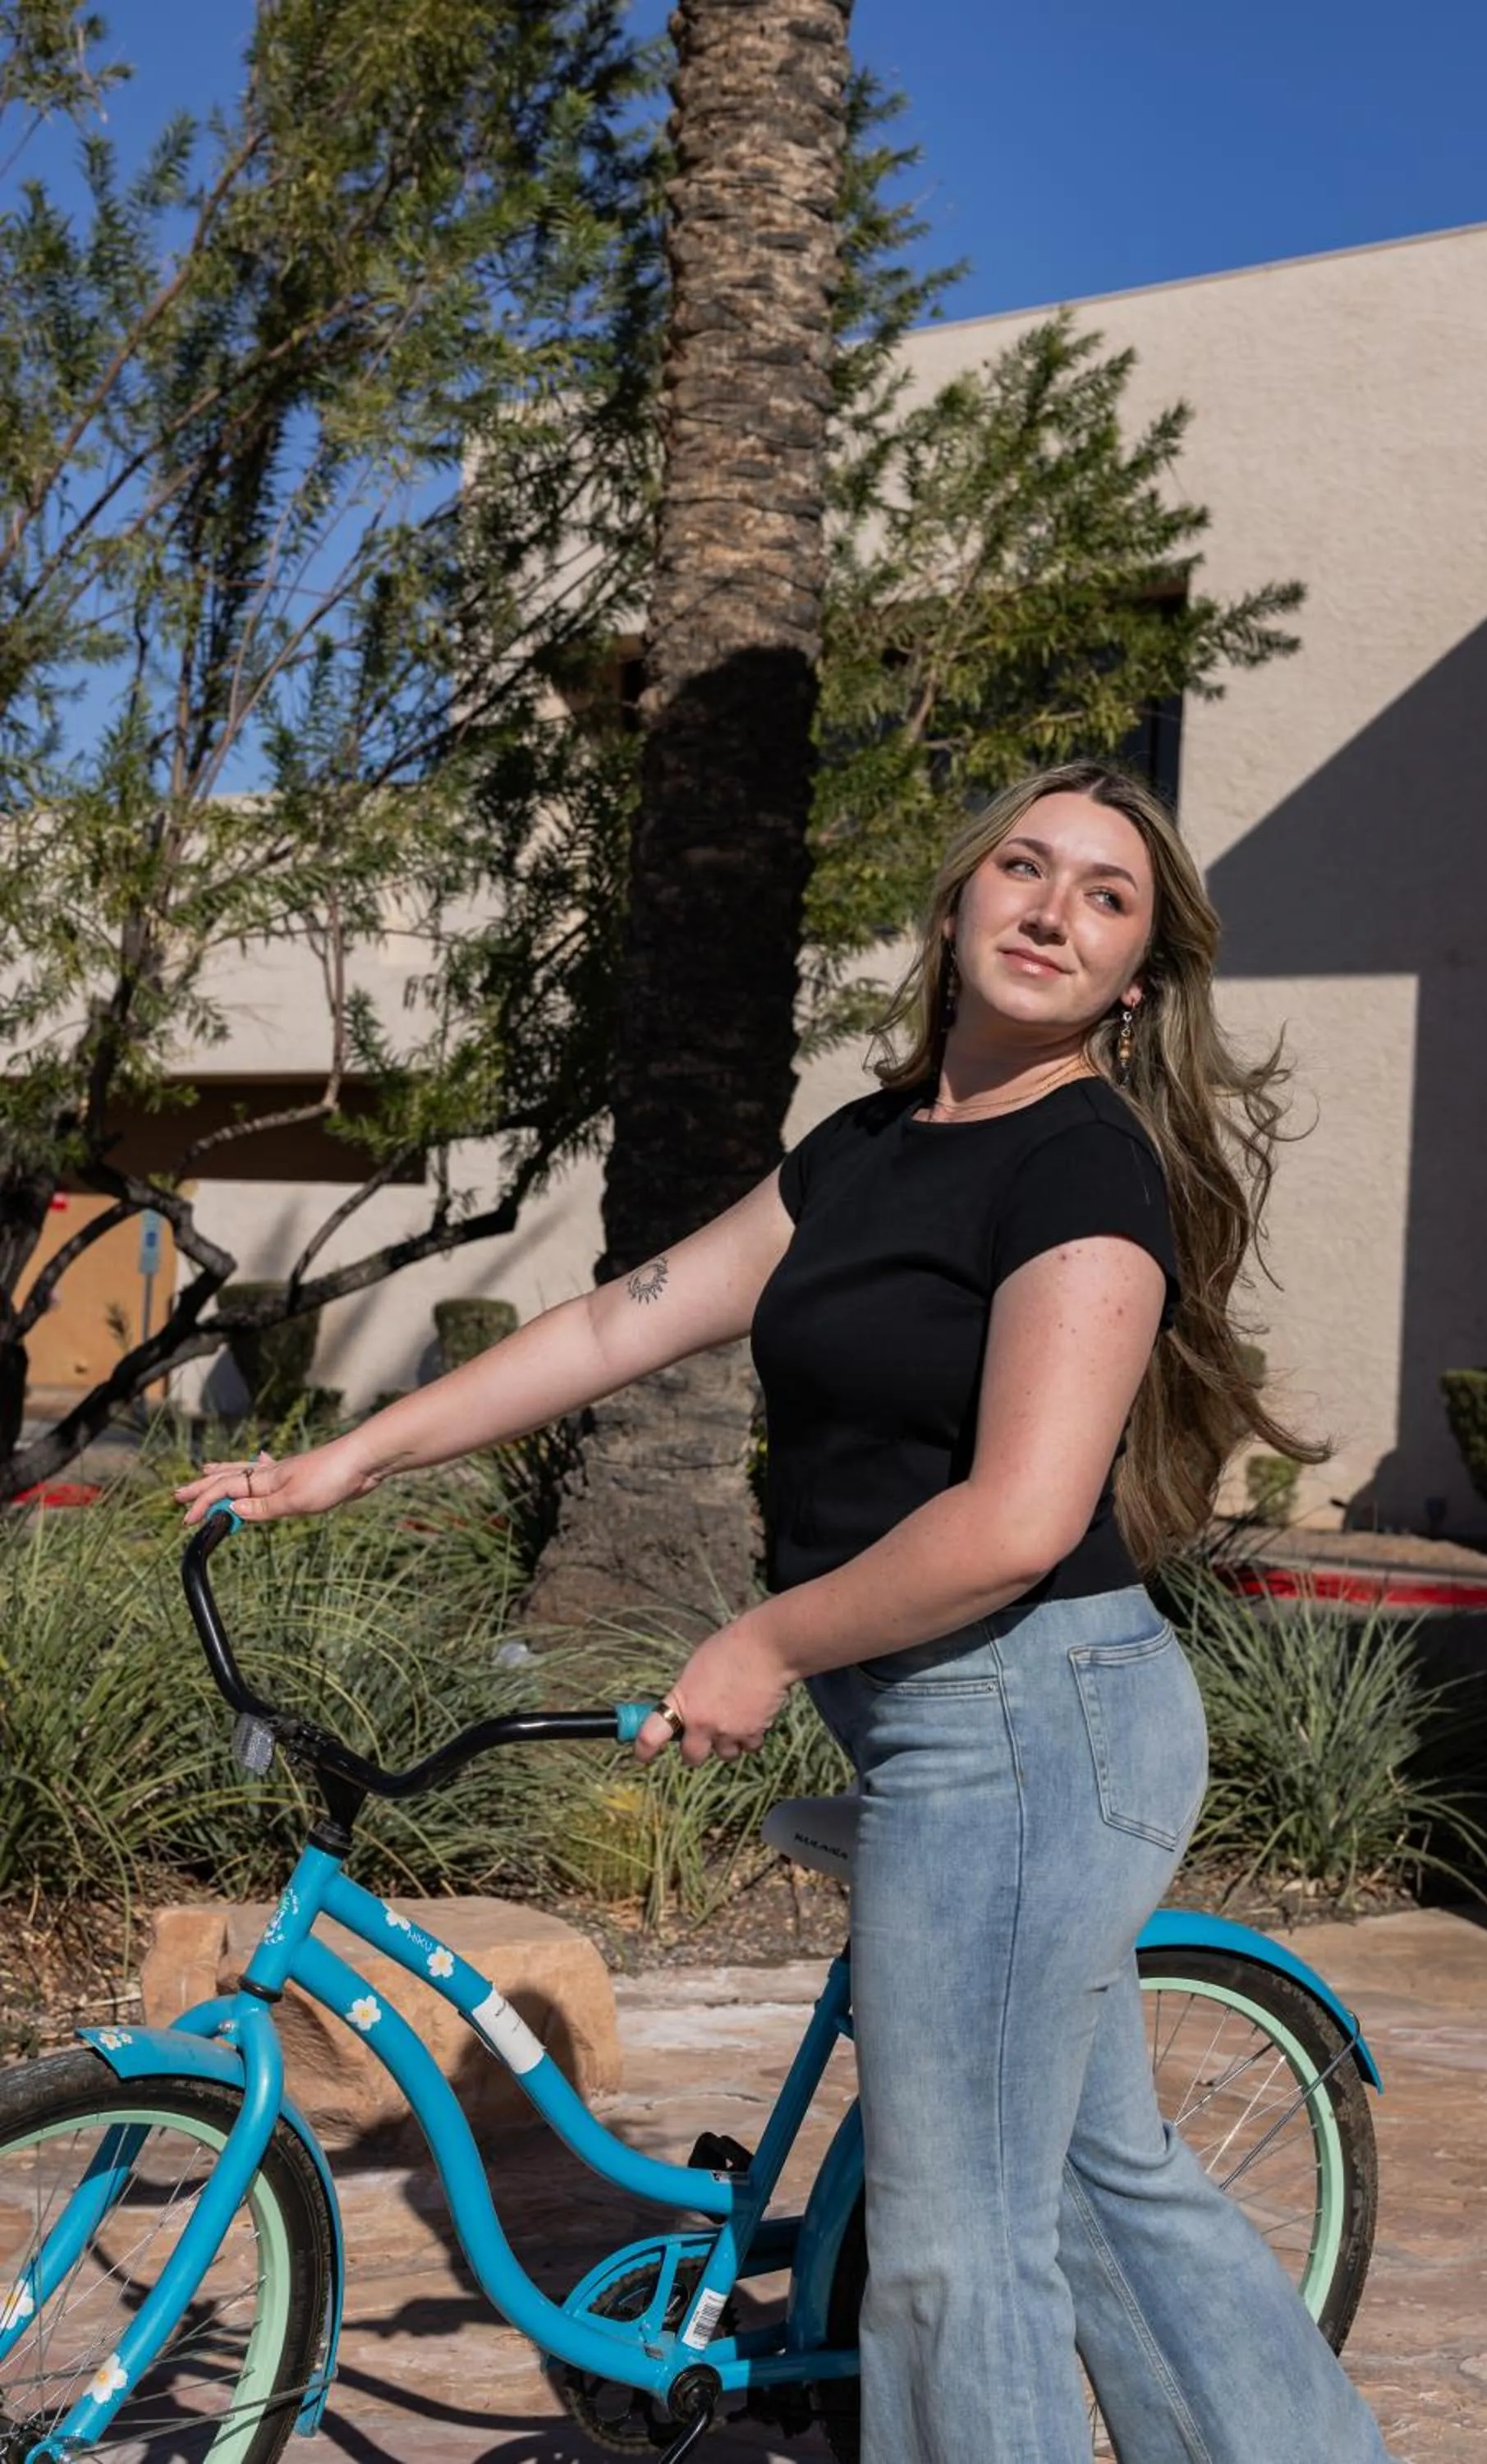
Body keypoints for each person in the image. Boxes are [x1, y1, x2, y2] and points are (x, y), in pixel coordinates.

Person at [179, 758, 1395, 2464]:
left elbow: (1015, 1520)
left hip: (1029, 1724)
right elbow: (628, 1318)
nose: (1052, 911)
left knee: (954, 2250)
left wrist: (762, 1640)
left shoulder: (1079, 1175)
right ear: (956, 901)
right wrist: (353, 1458)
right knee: (1085, 2188)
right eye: (1023, 871)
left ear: (1139, 974)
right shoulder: (870, 1147)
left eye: (1103, 897)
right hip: (948, 1718)